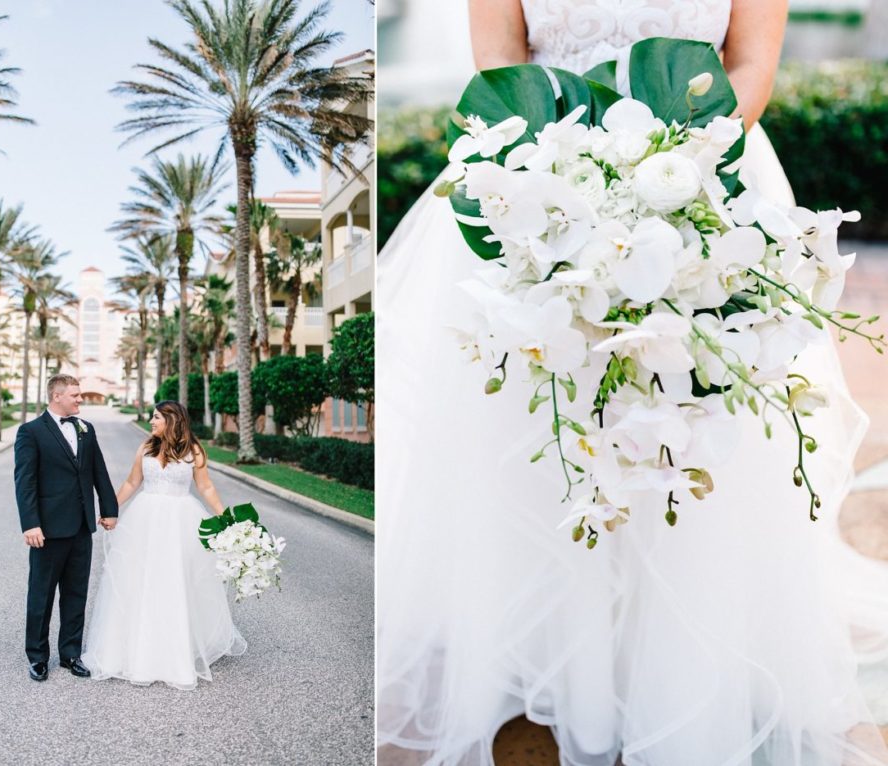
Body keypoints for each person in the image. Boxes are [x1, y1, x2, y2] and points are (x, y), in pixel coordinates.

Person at [376, 2, 888, 764]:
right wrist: (580, 177)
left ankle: (684, 657)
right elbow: (500, 62)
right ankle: (556, 658)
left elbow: (751, 63)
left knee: (698, 412)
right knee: (543, 420)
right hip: (543, 182)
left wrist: (669, 166)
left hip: (708, 173)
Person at [81, 400, 246, 689]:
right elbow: (133, 482)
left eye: (156, 417)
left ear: (172, 419)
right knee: (141, 581)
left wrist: (226, 518)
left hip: (180, 521)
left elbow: (205, 486)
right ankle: (136, 650)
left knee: (176, 583)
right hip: (145, 520)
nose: (151, 422)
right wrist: (111, 509)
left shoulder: (194, 450)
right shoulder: (146, 447)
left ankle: (174, 652)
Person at [13, 373, 119, 682]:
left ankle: (71, 654)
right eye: (75, 395)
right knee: (41, 595)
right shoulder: (30, 432)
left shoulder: (87, 429)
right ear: (57, 396)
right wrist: (31, 523)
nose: (80, 399)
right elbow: (25, 483)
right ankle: (37, 657)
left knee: (76, 593)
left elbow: (98, 470)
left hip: (81, 527)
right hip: (47, 530)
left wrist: (109, 509)